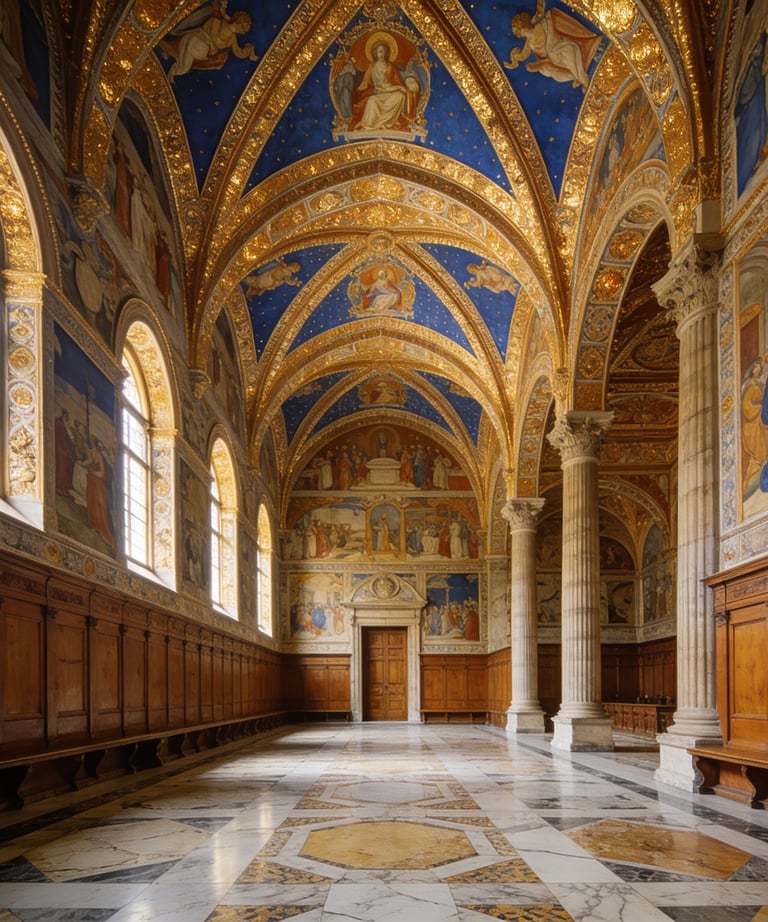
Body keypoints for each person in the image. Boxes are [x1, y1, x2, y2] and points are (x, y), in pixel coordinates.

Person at [504, 0, 600, 91]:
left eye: (518, 29)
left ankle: (587, 84)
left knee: (572, 62)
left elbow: (542, 10)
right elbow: (522, 55)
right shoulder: (530, 43)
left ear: (523, 25)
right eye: (517, 31)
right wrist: (513, 61)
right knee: (546, 70)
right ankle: (582, 80)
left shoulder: (543, 23)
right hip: (555, 60)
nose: (520, 32)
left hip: (563, 49)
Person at [162, 1, 258, 83]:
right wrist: (221, 11)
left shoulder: (232, 38)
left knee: (188, 65)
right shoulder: (219, 21)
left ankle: (175, 69)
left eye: (242, 28)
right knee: (184, 65)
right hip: (200, 38)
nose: (238, 27)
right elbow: (215, 38)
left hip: (205, 50)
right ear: (237, 20)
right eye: (240, 24)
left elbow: (238, 53)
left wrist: (249, 50)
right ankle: (174, 67)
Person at [350, 37, 416, 131]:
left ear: (386, 53)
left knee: (400, 96)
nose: (381, 54)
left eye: (383, 51)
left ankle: (389, 122)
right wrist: (359, 89)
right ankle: (368, 124)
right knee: (372, 101)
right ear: (375, 53)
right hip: (377, 92)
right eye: (379, 52)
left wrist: (400, 87)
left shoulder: (390, 67)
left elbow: (397, 82)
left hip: (389, 91)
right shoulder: (372, 67)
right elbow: (366, 82)